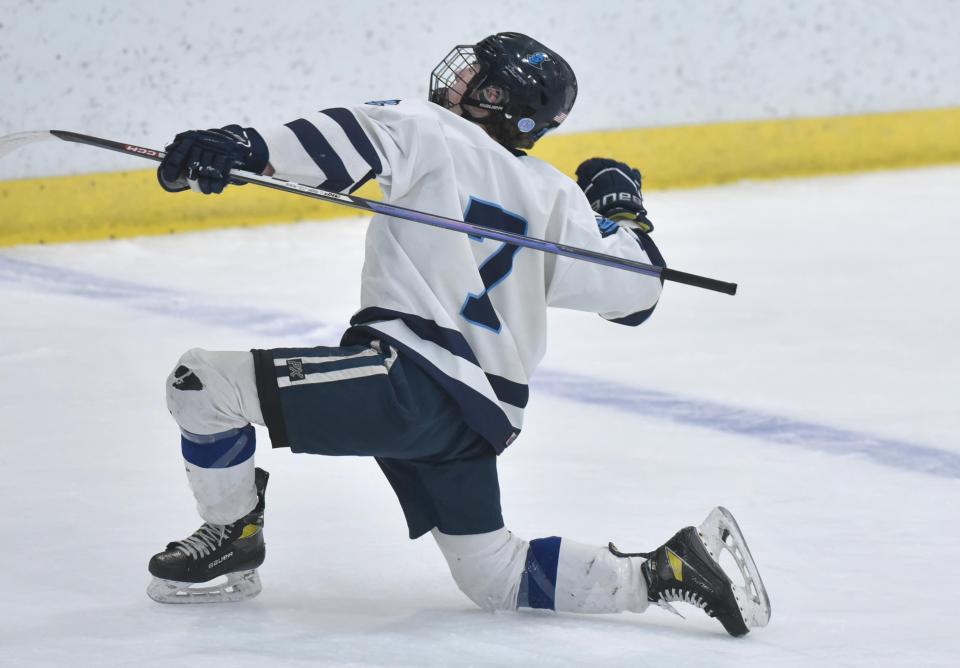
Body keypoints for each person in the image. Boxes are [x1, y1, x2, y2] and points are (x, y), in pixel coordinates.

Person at [147, 32, 770, 636]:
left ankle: (232, 533)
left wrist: (242, 148)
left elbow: (342, 140)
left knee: (201, 383)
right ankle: (666, 570)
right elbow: (639, 295)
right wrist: (623, 213)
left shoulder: (428, 127)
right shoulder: (555, 196)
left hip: (409, 384)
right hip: (477, 415)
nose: (459, 79)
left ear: (500, 101)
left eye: (479, 77)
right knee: (492, 574)